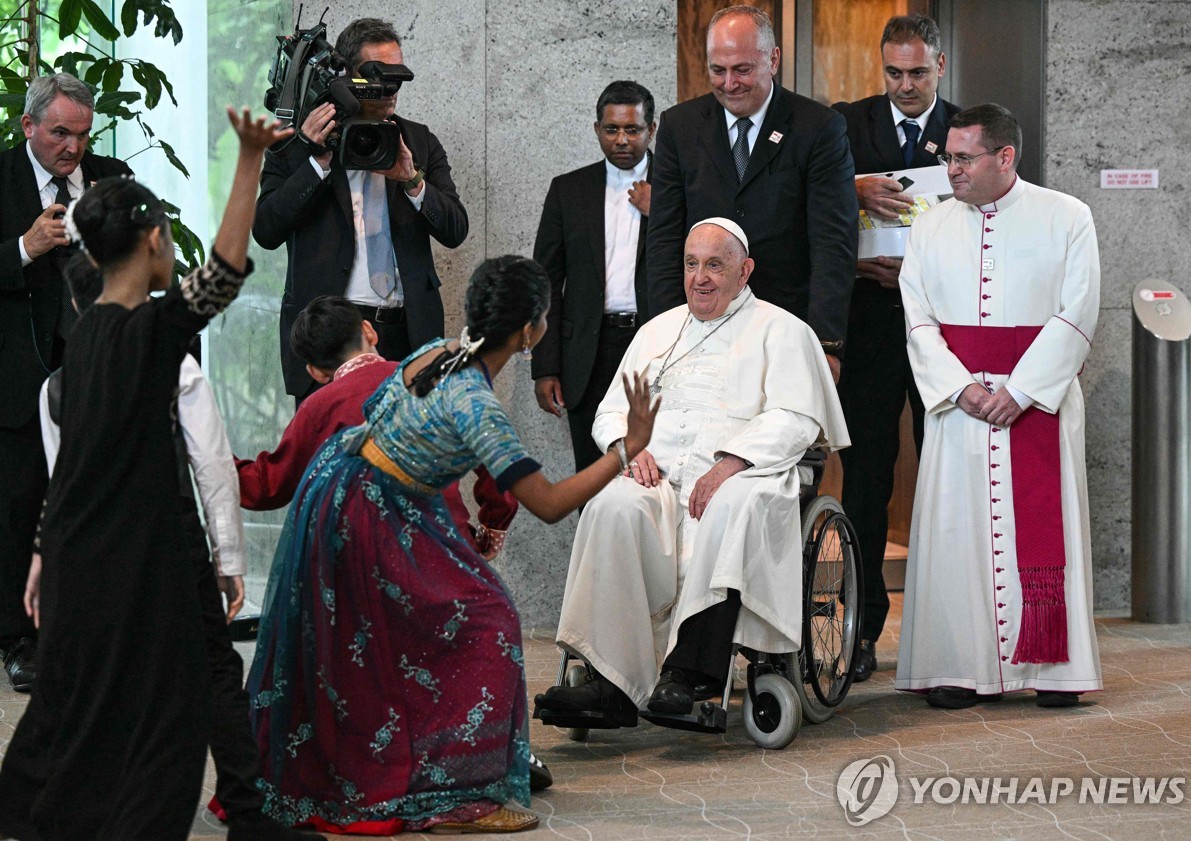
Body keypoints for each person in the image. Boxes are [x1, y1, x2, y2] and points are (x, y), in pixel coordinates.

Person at [246, 256, 659, 833]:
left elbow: (380, 415)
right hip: (373, 510)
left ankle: (430, 768)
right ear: (528, 333)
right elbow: (548, 502)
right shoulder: (476, 404)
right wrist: (626, 449)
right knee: (488, 625)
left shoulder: (437, 351)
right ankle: (464, 795)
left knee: (398, 638)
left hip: (352, 489)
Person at [0, 110, 292, 840]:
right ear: (156, 242)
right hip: (138, 567)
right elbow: (223, 271)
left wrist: (43, 550)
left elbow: (71, 467)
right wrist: (251, 158)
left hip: (84, 560)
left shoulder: (87, 341)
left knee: (77, 717)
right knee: (155, 732)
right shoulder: (149, 335)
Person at [27, 262, 317, 841]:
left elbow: (64, 486)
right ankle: (245, 809)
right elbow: (212, 470)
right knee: (213, 672)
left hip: (95, 553)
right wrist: (230, 561)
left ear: (76, 308)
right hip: (168, 542)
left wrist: (52, 561)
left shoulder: (56, 387)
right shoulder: (176, 369)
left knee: (112, 678)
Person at [536, 218, 848, 722]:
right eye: (691, 264)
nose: (700, 277)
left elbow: (797, 418)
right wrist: (626, 446)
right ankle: (607, 681)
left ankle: (688, 674)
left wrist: (732, 462)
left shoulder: (784, 330)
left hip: (743, 478)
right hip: (658, 481)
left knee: (731, 506)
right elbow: (612, 410)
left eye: (715, 265)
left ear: (744, 271)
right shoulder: (656, 331)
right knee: (611, 505)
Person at [895, 104, 1102, 710]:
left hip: (1038, 400)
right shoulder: (929, 225)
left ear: (1004, 157)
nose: (949, 170)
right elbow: (918, 321)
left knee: (1043, 530)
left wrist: (1023, 390)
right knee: (956, 532)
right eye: (947, 157)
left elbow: (1078, 311)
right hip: (960, 405)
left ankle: (1053, 669)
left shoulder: (1067, 216)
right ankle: (958, 668)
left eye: (962, 159)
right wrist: (963, 389)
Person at [831, 14, 961, 682]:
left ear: (940, 63)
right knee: (867, 479)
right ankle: (860, 626)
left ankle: (950, 632)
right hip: (872, 321)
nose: (905, 85)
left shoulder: (969, 128)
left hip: (945, 330)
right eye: (893, 72)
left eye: (917, 71)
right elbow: (806, 206)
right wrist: (850, 190)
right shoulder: (845, 125)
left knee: (953, 478)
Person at [253, 17, 468, 403]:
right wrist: (315, 162)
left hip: (407, 334)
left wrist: (412, 179)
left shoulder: (418, 140)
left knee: (408, 459)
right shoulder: (297, 142)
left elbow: (455, 229)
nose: (390, 92)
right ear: (346, 76)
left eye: (397, 79)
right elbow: (266, 231)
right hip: (334, 335)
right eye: (378, 78)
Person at [0, 72, 131, 693]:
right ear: (28, 126)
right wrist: (23, 248)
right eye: (58, 133)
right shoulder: (0, 178)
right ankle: (19, 641)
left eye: (81, 134)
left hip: (93, 372)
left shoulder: (111, 179)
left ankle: (87, 631)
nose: (72, 148)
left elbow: (142, 263)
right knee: (19, 506)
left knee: (90, 505)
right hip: (17, 378)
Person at [646, 5, 857, 380]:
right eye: (718, 70)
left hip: (789, 329)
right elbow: (664, 238)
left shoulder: (819, 128)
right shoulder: (679, 127)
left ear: (773, 59)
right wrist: (665, 333)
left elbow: (833, 243)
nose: (729, 84)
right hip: (700, 328)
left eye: (742, 69)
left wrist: (825, 343)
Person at [236, 294, 519, 560]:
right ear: (369, 331)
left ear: (315, 372)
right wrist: (491, 530)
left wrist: (205, 452)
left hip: (368, 567)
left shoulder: (318, 409)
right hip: (447, 551)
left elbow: (268, 485)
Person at [532, 80, 656, 471]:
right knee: (592, 475)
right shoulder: (568, 190)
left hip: (655, 345)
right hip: (587, 350)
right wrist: (546, 366)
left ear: (651, 131)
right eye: (611, 129)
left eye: (632, 129)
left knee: (656, 472)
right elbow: (546, 281)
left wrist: (664, 208)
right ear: (597, 130)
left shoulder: (677, 187)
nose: (621, 140)